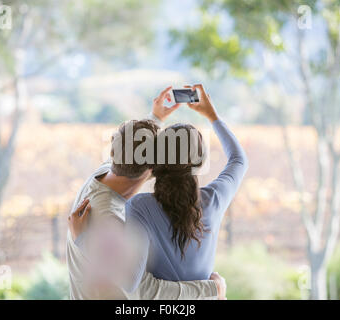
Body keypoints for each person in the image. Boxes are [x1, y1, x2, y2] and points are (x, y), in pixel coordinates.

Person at [67, 86, 226, 300]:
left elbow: (133, 150)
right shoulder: (110, 219)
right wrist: (211, 289)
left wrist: (156, 117)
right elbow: (144, 291)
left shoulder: (106, 172)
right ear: (153, 169)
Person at [124, 84, 248, 291]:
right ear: (200, 163)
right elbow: (238, 160)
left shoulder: (138, 207)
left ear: (155, 162)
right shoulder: (213, 201)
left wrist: (155, 118)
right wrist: (212, 116)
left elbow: (131, 283)